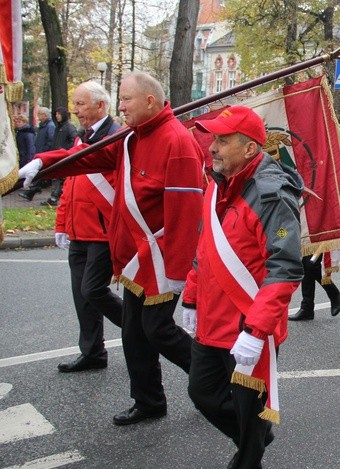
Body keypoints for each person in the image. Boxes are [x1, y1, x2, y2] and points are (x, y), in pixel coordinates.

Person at [19, 71, 204, 425]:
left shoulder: (177, 142)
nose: (121, 106)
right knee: (135, 332)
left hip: (162, 257)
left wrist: (179, 274)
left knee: (157, 330)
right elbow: (87, 157)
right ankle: (149, 401)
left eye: (126, 99)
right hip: (136, 258)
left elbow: (185, 215)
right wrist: (44, 163)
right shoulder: (131, 138)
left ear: (150, 101)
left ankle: (214, 380)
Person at [183, 106, 304, 469]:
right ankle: (253, 435)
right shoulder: (218, 182)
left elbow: (285, 268)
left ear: (250, 148)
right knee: (202, 392)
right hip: (211, 319)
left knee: (246, 403)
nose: (212, 147)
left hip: (250, 325)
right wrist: (190, 295)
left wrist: (256, 332)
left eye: (222, 140)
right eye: (212, 139)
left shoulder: (272, 196)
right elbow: (206, 247)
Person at [54, 82, 124, 373]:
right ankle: (93, 353)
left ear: (100, 106)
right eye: (75, 103)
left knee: (93, 290)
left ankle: (142, 328)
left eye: (81, 104)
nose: (75, 110)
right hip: (79, 231)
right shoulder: (83, 137)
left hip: (102, 232)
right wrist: (61, 223)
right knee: (82, 297)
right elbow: (71, 183)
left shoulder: (117, 136)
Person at [42, 107, 78, 206]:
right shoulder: (59, 127)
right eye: (56, 114)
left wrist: (64, 150)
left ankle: (55, 197)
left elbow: (74, 139)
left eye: (59, 114)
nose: (57, 116)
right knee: (56, 177)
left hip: (62, 156)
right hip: (56, 155)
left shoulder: (69, 127)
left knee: (57, 177)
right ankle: (55, 196)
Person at [289, 254, 340, 321]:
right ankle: (307, 308)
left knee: (311, 265)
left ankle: (333, 293)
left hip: (319, 242)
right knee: (306, 264)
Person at [18, 107, 55, 201]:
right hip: (39, 153)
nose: (38, 116)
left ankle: (32, 191)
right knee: (38, 176)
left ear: (45, 115)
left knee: (39, 175)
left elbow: (50, 141)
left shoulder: (50, 126)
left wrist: (43, 150)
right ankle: (32, 191)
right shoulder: (43, 126)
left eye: (40, 114)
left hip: (44, 154)